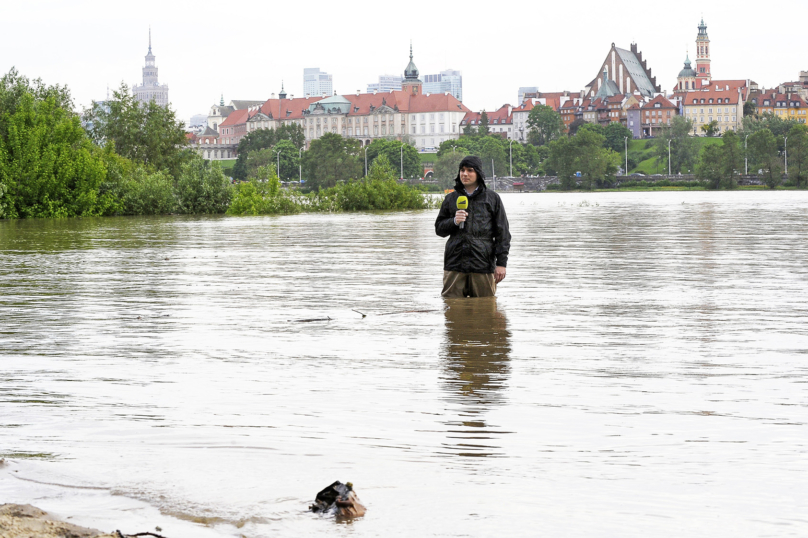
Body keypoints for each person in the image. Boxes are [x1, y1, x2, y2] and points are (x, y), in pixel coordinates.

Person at [435, 155, 511, 297]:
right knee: (452, 309)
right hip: (455, 264)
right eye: (462, 170)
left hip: (482, 264)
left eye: (470, 170)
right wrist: (454, 221)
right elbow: (439, 229)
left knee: (486, 310)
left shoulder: (492, 198)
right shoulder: (451, 198)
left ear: (478, 173)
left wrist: (501, 263)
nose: (465, 174)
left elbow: (503, 233)